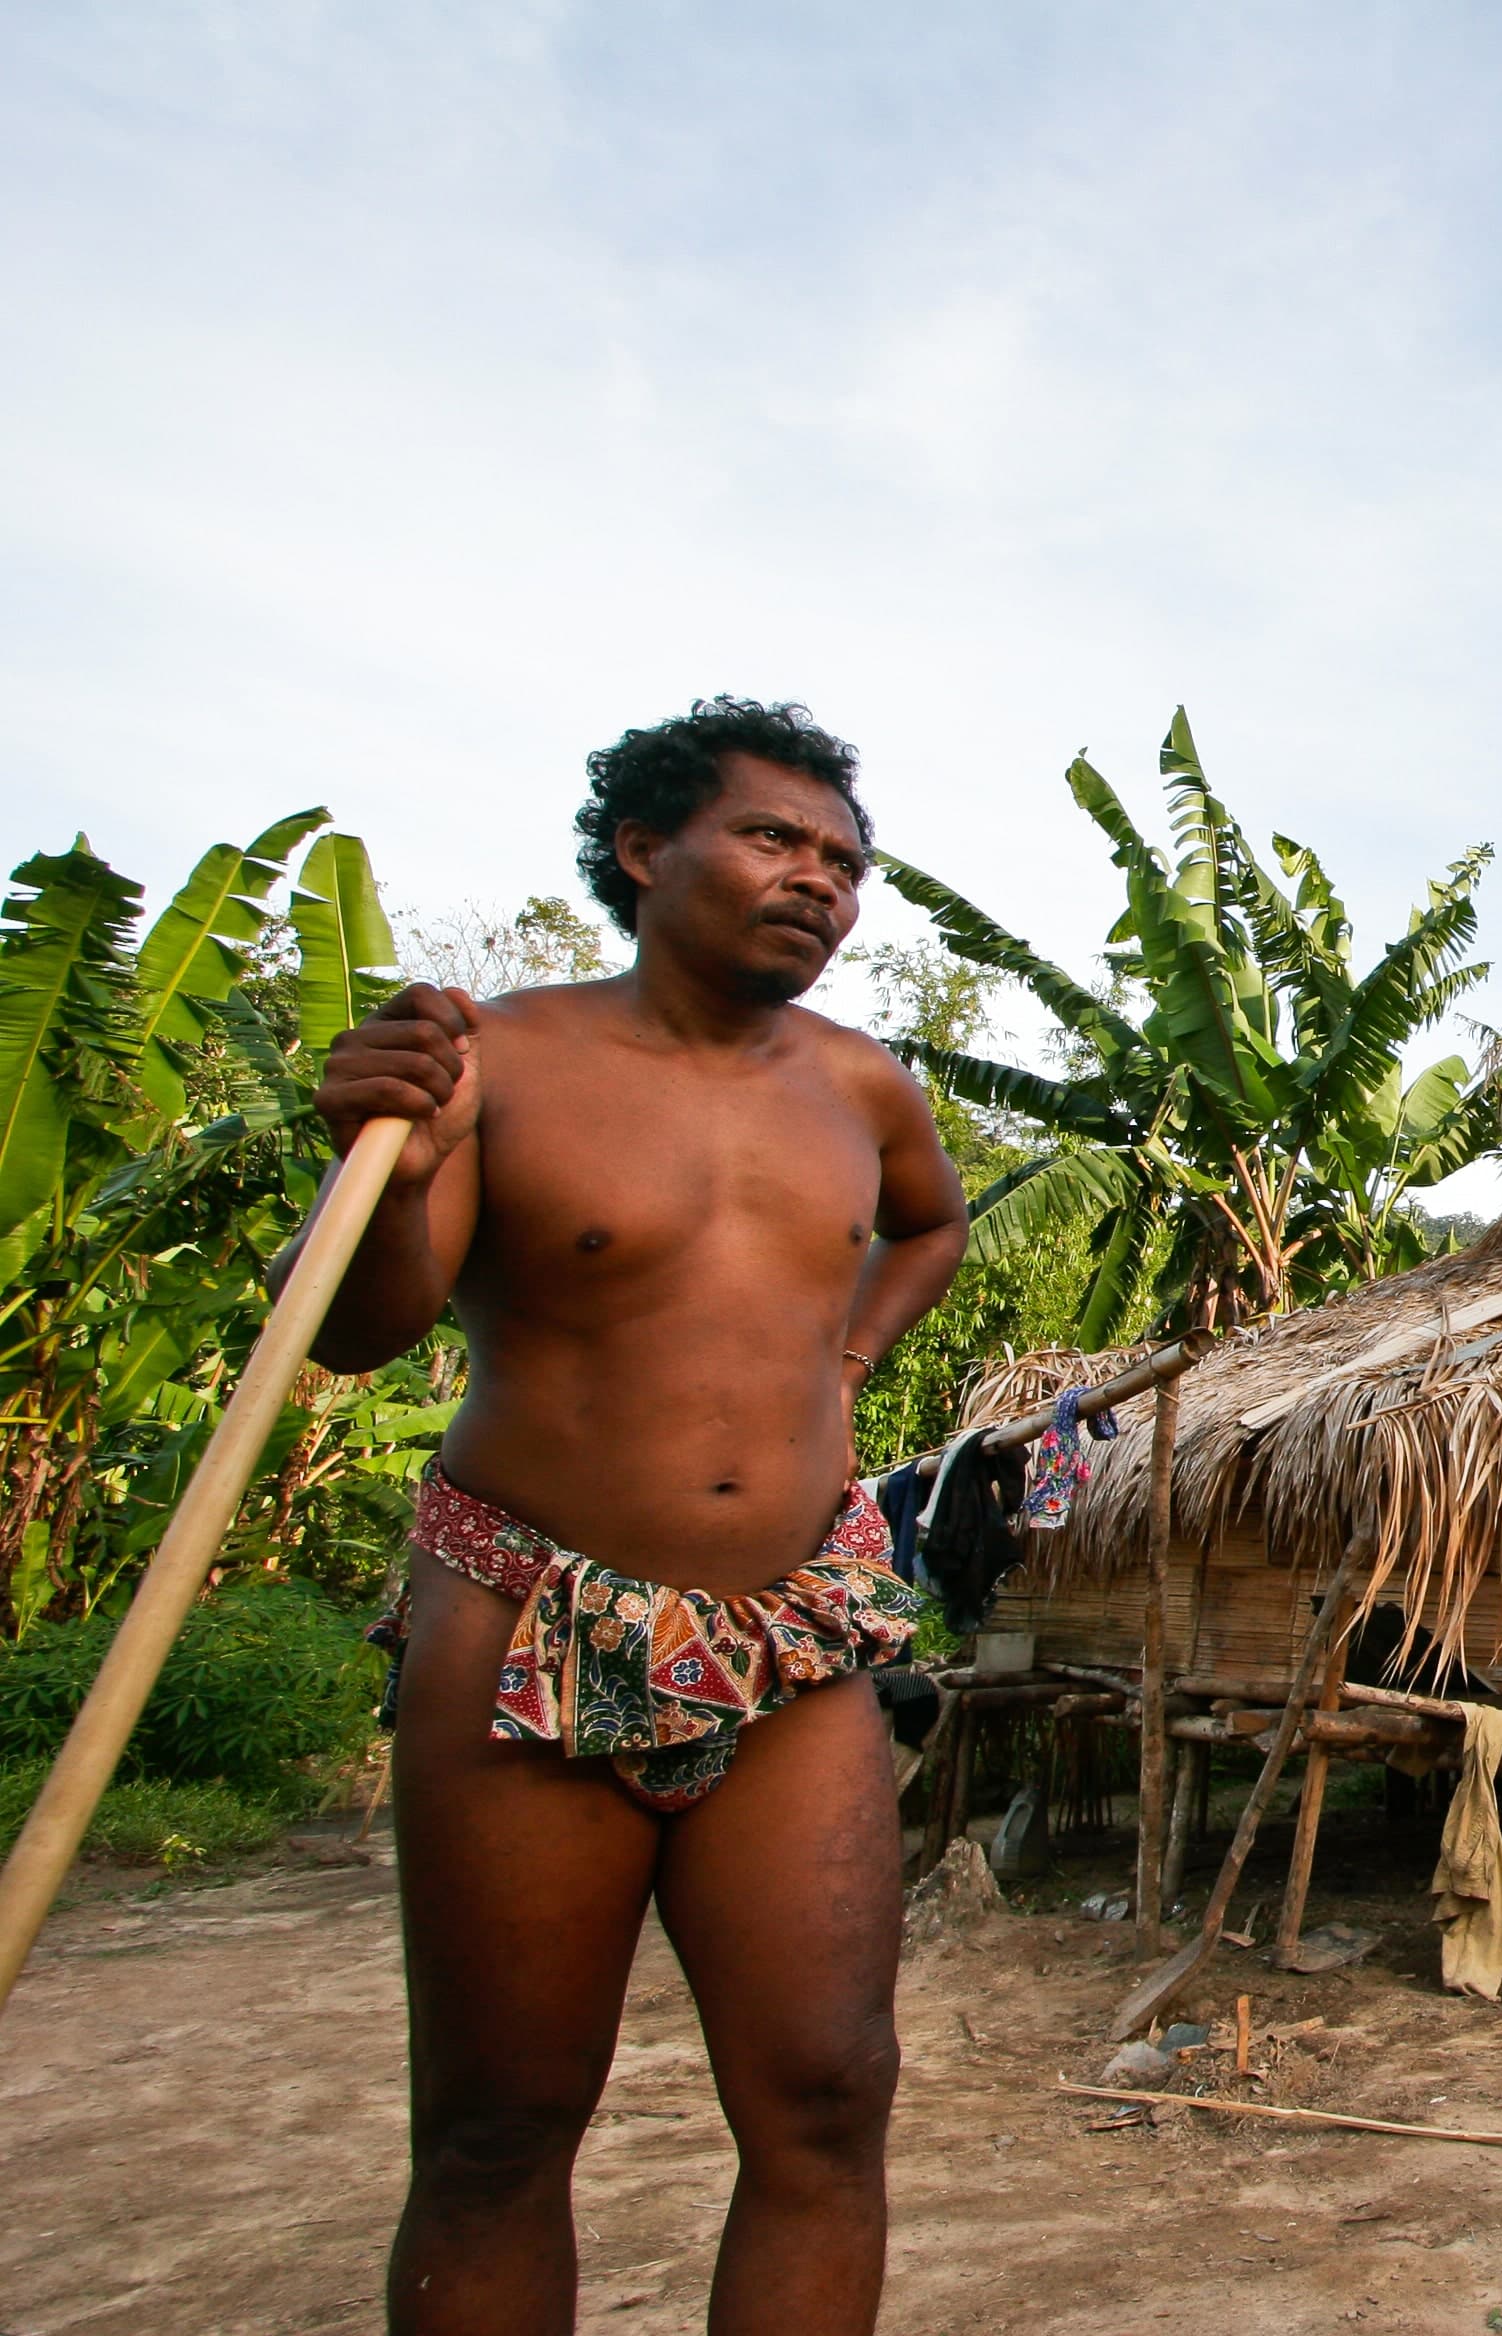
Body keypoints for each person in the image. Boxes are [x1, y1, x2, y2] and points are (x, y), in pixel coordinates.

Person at [279, 698, 969, 2336]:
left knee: (824, 2100)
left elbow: (929, 1228)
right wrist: (371, 1163)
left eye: (845, 862)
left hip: (796, 1636)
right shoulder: (495, 1060)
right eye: (775, 839)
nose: (819, 881)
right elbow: (361, 1328)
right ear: (645, 850)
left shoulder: (863, 1087)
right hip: (531, 1618)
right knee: (501, 2126)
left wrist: (848, 1355)